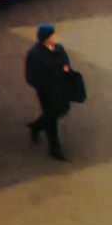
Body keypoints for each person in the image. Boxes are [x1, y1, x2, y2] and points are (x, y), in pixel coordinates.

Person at [25, 23, 72, 161]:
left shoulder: (59, 48)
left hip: (59, 86)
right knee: (51, 116)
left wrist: (66, 70)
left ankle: (36, 126)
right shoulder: (35, 54)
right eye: (52, 35)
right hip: (45, 90)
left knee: (57, 111)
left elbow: (66, 62)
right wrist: (42, 85)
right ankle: (54, 147)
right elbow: (31, 76)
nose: (55, 37)